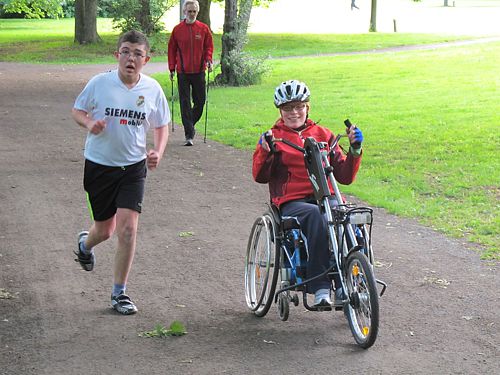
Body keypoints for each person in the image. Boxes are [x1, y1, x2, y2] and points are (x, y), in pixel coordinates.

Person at [71, 30, 170, 315]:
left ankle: (119, 293)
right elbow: (77, 111)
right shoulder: (99, 83)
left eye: (138, 54)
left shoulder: (152, 89)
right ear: (117, 55)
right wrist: (89, 124)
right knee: (105, 230)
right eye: (126, 51)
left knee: (127, 229)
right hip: (99, 166)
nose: (131, 58)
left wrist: (158, 152)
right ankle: (85, 244)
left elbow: (161, 125)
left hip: (133, 168)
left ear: (146, 59)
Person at [252, 80, 364, 308]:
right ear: (280, 111)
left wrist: (355, 149)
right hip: (293, 201)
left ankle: (351, 279)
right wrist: (266, 151)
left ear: (308, 107)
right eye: (288, 108)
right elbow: (260, 175)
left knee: (346, 217)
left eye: (299, 106)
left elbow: (344, 176)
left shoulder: (324, 134)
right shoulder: (274, 137)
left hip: (328, 196)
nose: (294, 112)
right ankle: (321, 287)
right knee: (316, 217)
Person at [168, 0, 214, 146]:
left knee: (200, 101)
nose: (192, 14)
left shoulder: (203, 29)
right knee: (184, 102)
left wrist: (209, 60)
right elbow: (171, 50)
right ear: (184, 12)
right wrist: (171, 68)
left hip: (199, 71)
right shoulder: (177, 30)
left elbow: (209, 47)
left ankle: (189, 124)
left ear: (197, 12)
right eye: (189, 11)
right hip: (183, 72)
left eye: (194, 11)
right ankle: (189, 134)